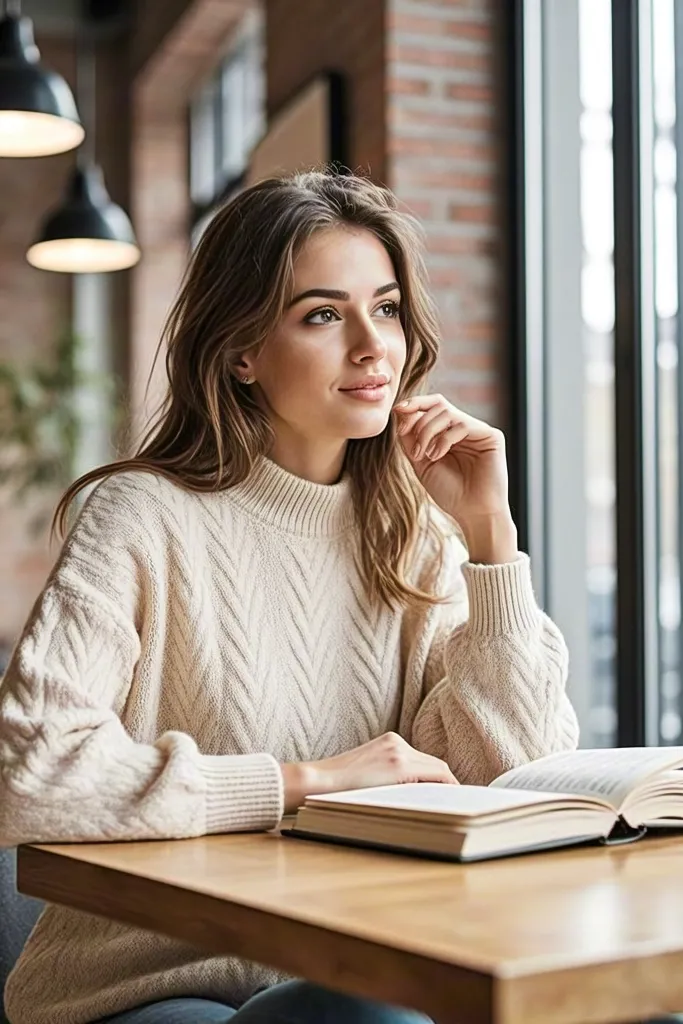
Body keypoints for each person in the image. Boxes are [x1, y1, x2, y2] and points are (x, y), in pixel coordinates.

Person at [0, 169, 579, 1024]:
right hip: (151, 984)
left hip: (359, 961)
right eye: (321, 314)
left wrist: (490, 541)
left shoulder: (413, 534)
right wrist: (305, 781)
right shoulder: (142, 515)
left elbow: (512, 779)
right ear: (240, 350)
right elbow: (31, 771)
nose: (371, 346)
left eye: (384, 309)